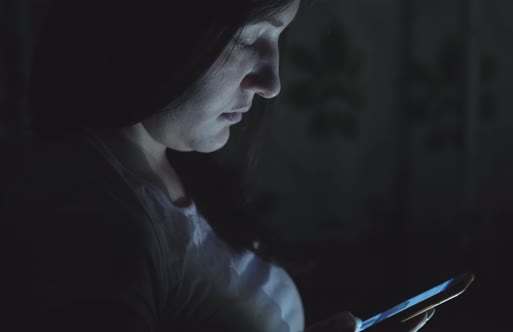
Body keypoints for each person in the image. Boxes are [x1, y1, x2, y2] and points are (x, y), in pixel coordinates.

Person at [1, 0, 434, 331]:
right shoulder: (88, 211)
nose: (271, 83)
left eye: (279, 37)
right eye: (249, 38)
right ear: (157, 27)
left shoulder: (171, 171)